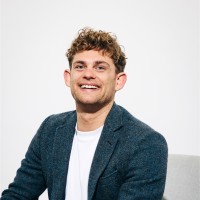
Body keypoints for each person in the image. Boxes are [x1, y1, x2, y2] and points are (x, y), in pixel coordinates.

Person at [1, 28, 168, 200]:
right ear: (68, 77)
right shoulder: (50, 130)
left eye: (100, 67)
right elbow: (18, 194)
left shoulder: (145, 143)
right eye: (80, 67)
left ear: (119, 80)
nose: (88, 74)